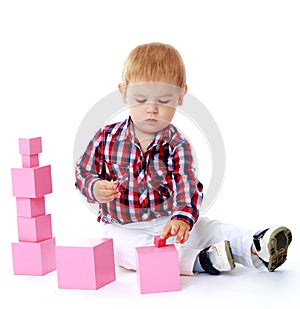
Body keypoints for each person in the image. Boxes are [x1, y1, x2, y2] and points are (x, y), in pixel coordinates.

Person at [75, 42, 292, 275]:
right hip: (123, 227)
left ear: (180, 96)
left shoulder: (177, 144)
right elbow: (83, 172)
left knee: (208, 228)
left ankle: (254, 245)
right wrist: (94, 186)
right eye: (140, 100)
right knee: (121, 249)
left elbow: (187, 186)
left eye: (164, 101)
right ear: (123, 93)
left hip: (169, 219)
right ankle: (201, 260)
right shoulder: (106, 137)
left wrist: (182, 219)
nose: (152, 109)